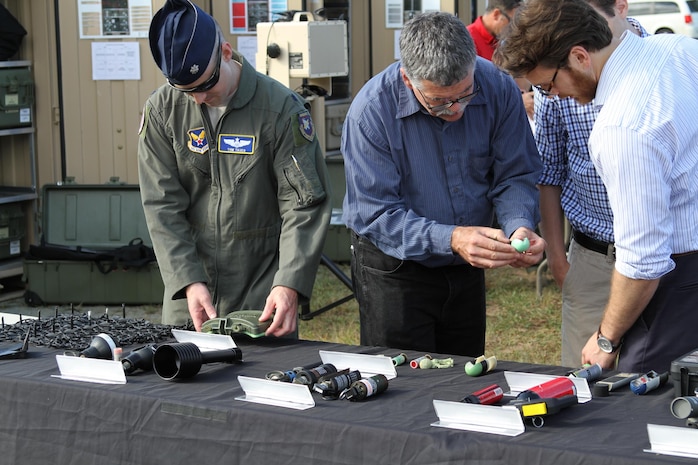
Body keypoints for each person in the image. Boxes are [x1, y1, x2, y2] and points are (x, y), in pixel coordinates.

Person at [495, 0, 698, 372]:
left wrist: (606, 338)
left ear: (578, 56)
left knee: (636, 410)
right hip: (669, 269)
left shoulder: (623, 127)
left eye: (548, 84)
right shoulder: (680, 49)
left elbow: (642, 261)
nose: (550, 97)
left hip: (670, 283)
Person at [341, 12, 544, 356]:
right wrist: (451, 238)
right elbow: (377, 215)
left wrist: (519, 225)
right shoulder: (370, 113)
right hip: (395, 269)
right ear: (408, 79)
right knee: (402, 386)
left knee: (463, 375)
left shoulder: (497, 87)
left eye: (465, 94)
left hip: (465, 267)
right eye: (439, 102)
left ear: (473, 68)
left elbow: (515, 173)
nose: (456, 111)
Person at [138, 0, 331, 336]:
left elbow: (302, 205)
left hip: (262, 292)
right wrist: (186, 280)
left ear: (226, 52)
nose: (198, 100)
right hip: (191, 294)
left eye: (205, 87)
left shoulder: (281, 110)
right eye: (187, 92)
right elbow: (161, 205)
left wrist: (289, 282)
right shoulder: (161, 111)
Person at [533, 0, 648, 367]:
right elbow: (548, 169)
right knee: (585, 393)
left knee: (664, 388)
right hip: (595, 256)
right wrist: (557, 258)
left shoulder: (660, 60)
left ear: (620, 6)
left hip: (666, 262)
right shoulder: (557, 71)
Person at [466, 0, 534, 125]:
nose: (514, 29)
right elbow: (471, 92)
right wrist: (518, 100)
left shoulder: (502, 40)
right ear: (497, 14)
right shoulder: (467, 41)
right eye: (512, 23)